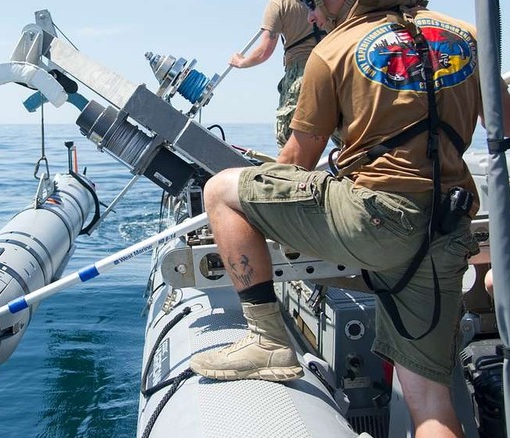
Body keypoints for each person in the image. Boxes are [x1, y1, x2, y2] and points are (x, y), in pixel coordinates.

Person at [190, 0, 510, 436]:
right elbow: (504, 125)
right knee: (432, 404)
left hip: (371, 221)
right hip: (444, 227)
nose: (314, 16)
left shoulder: (334, 48)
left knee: (221, 190)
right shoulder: (466, 37)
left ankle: (267, 339)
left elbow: (297, 163)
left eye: (314, 4)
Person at [229, 0, 352, 150]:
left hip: (300, 76)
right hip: (335, 71)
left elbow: (264, 51)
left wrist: (241, 62)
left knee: (288, 143)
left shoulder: (279, 4)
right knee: (348, 142)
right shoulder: (329, 3)